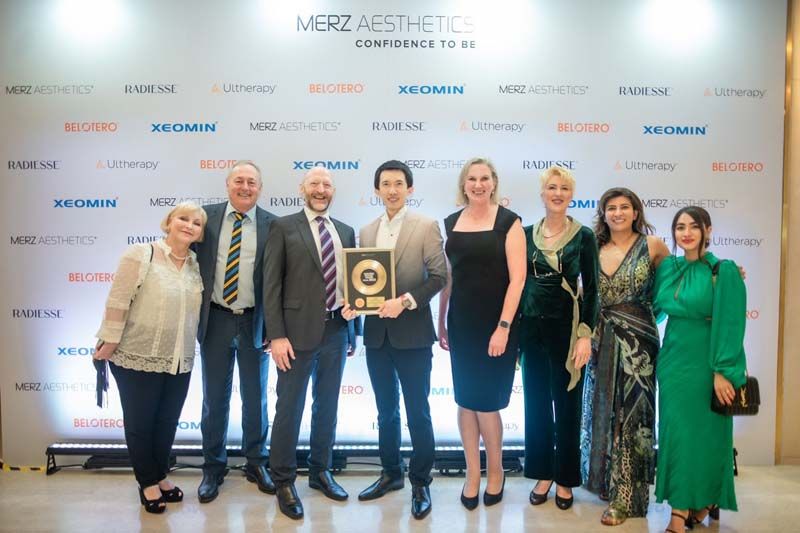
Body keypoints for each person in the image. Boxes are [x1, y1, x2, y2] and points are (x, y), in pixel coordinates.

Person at [348, 160, 447, 519]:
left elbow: (439, 276)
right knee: (385, 411)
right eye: (386, 184)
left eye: (399, 184)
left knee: (418, 411)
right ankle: (391, 473)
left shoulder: (426, 225)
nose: (392, 190)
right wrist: (354, 303)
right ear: (377, 190)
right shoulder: (366, 231)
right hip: (377, 336)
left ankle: (420, 481)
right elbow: (364, 281)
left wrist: (404, 301)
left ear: (409, 188)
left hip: (414, 335)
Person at [94, 202, 207, 513]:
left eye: (196, 223)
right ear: (169, 221)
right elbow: (118, 299)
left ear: (200, 233)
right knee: (141, 423)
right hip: (136, 353)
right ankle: (147, 483)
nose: (189, 225)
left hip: (179, 358)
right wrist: (109, 339)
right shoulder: (141, 254)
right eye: (183, 218)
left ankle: (160, 475)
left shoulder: (196, 265)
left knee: (167, 422)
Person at [263, 166, 359, 520]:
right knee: (289, 408)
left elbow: (352, 283)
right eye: (314, 183)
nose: (321, 189)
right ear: (302, 189)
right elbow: (271, 284)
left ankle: (321, 471)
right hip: (293, 334)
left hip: (336, 330)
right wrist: (276, 335)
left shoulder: (344, 230)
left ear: (333, 191)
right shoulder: (283, 227)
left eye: (327, 184)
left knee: (327, 406)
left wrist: (353, 325)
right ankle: (284, 480)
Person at [438, 157, 525, 509]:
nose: (478, 184)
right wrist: (441, 320)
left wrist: (503, 327)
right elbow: (450, 277)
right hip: (462, 324)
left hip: (496, 325)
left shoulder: (509, 222)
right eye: (472, 179)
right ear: (464, 184)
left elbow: (518, 280)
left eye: (484, 178)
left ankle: (496, 471)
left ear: (494, 183)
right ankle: (472, 474)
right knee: (465, 401)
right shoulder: (451, 222)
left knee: (487, 404)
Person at [653, 206, 747, 533]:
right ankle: (686, 504)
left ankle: (690, 508)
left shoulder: (724, 270)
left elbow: (731, 323)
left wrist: (722, 370)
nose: (687, 233)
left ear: (708, 230)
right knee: (676, 435)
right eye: (680, 227)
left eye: (694, 226)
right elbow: (653, 308)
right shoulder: (668, 268)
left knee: (707, 437)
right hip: (672, 362)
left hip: (707, 363)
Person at [580, 187, 670, 525]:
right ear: (603, 214)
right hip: (601, 339)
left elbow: (677, 281)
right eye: (611, 208)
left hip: (639, 344)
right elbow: (584, 292)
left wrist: (722, 272)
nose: (618, 213)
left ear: (636, 212)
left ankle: (628, 496)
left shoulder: (653, 246)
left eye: (624, 207)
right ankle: (607, 482)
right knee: (603, 411)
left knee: (634, 415)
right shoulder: (592, 246)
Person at [194, 160, 276, 503]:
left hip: (254, 321)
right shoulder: (204, 218)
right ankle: (213, 467)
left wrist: (274, 327)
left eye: (252, 182)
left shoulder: (273, 225)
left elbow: (278, 280)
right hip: (215, 319)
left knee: (256, 397)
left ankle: (256, 462)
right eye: (239, 181)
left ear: (260, 188)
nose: (245, 187)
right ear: (228, 185)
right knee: (214, 398)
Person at [520, 165, 599, 510]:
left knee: (567, 405)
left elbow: (592, 290)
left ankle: (565, 478)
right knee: (536, 403)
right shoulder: (524, 234)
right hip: (531, 330)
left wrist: (585, 335)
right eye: (552, 187)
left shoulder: (584, 236)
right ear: (542, 194)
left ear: (571, 195)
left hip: (567, 331)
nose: (558, 193)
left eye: (564, 188)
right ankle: (543, 473)